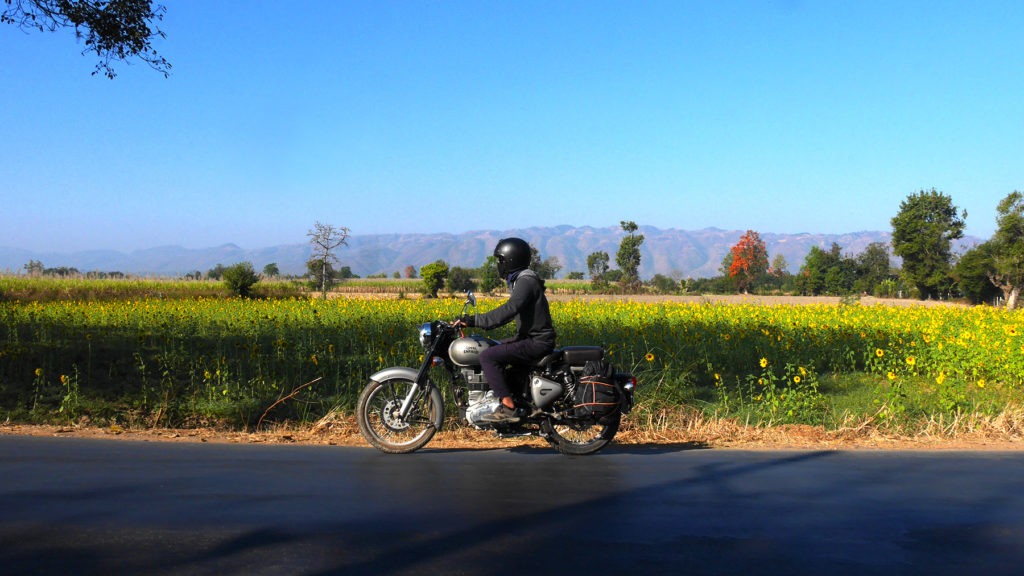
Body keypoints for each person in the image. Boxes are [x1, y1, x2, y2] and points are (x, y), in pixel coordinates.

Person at [454, 237, 556, 423]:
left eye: (501, 260)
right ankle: (507, 395)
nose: (499, 264)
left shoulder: (526, 281)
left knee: (487, 356)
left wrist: (475, 320)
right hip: (529, 338)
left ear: (511, 259)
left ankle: (508, 407)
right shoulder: (521, 280)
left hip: (537, 342)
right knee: (492, 346)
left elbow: (509, 310)